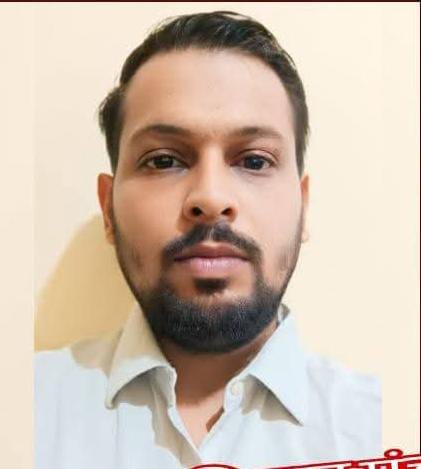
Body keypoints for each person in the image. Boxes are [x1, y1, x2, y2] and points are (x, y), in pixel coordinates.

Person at [35, 11, 381, 469]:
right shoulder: (25, 410)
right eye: (163, 160)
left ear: (303, 207)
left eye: (254, 161)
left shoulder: (383, 430)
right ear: (108, 209)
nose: (211, 198)